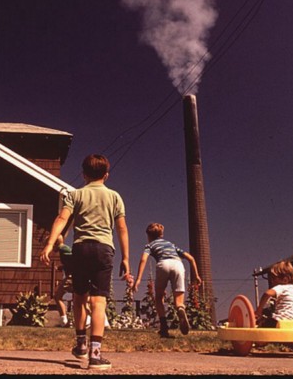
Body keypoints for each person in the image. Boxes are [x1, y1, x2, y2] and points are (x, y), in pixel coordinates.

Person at [40, 154, 132, 370]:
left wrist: (50, 243)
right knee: (98, 302)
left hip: (80, 249)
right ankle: (96, 355)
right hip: (103, 249)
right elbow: (122, 229)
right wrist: (126, 258)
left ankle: (81, 345)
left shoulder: (75, 195)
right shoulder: (114, 197)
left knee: (79, 298)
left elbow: (62, 219)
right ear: (106, 175)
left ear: (83, 174)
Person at [131, 222, 202, 337]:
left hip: (163, 264)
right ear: (161, 235)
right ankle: (180, 309)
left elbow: (143, 259)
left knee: (159, 298)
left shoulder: (150, 245)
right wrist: (196, 275)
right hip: (178, 265)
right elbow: (191, 258)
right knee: (178, 301)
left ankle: (164, 328)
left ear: (148, 236)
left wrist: (138, 279)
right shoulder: (171, 244)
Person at [254, 261, 293, 327]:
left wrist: (259, 310)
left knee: (260, 325)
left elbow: (267, 294)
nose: (272, 281)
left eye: (274, 278)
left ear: (285, 280)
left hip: (279, 322)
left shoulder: (282, 287)